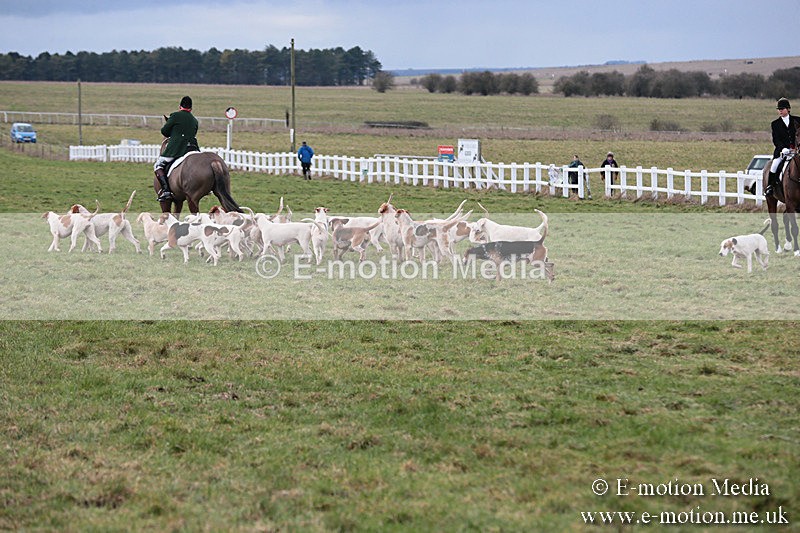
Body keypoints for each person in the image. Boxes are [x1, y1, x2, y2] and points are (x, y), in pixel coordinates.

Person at [153, 96, 199, 201]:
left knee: (158, 165)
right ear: (191, 109)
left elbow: (164, 131)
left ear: (180, 106)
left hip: (177, 149)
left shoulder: (175, 116)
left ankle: (166, 190)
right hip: (193, 149)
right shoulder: (194, 120)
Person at [765, 97, 800, 197]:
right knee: (775, 164)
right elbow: (776, 139)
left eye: (782, 109)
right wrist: (782, 148)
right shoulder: (775, 124)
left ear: (788, 109)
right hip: (783, 151)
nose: (780, 111)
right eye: (779, 109)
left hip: (797, 150)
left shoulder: (797, 120)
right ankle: (770, 186)